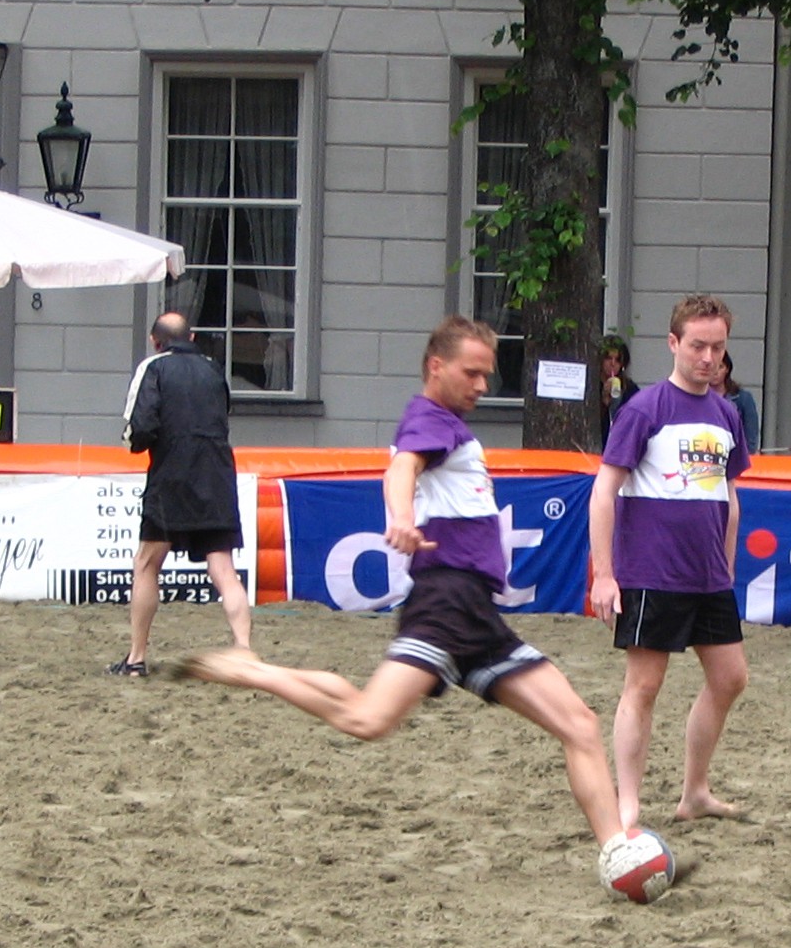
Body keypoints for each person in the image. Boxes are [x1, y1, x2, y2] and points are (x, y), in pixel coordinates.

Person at [181, 315, 647, 895]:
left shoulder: (449, 426)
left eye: (487, 374)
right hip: (445, 603)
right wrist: (401, 516)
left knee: (579, 723)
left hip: (476, 612)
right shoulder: (429, 419)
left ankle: (617, 853)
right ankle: (255, 671)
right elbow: (401, 468)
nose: (482, 385)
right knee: (367, 720)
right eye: (471, 373)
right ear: (436, 367)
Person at [588, 293, 751, 830]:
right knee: (643, 686)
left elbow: (728, 496)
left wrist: (726, 566)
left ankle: (695, 792)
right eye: (698, 346)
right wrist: (604, 575)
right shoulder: (645, 409)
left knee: (730, 678)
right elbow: (603, 492)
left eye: (718, 348)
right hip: (652, 572)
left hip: (709, 575)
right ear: (674, 343)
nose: (708, 358)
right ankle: (628, 806)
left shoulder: (727, 413)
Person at [111, 312, 254, 675]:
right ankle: (245, 651)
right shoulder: (213, 369)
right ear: (191, 337)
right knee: (223, 568)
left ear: (154, 341)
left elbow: (140, 428)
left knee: (147, 564)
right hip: (217, 474)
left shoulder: (153, 368)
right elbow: (224, 413)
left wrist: (135, 443)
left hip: (171, 474)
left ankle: (136, 658)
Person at [598, 333, 639, 448]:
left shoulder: (629, 388)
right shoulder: (593, 385)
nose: (613, 364)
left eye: (617, 360)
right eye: (608, 359)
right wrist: (604, 402)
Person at [721, 351, 761, 453]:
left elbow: (751, 434)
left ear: (727, 369)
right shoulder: (698, 398)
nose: (715, 372)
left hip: (736, 454)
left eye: (720, 367)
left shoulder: (743, 398)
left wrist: (746, 456)